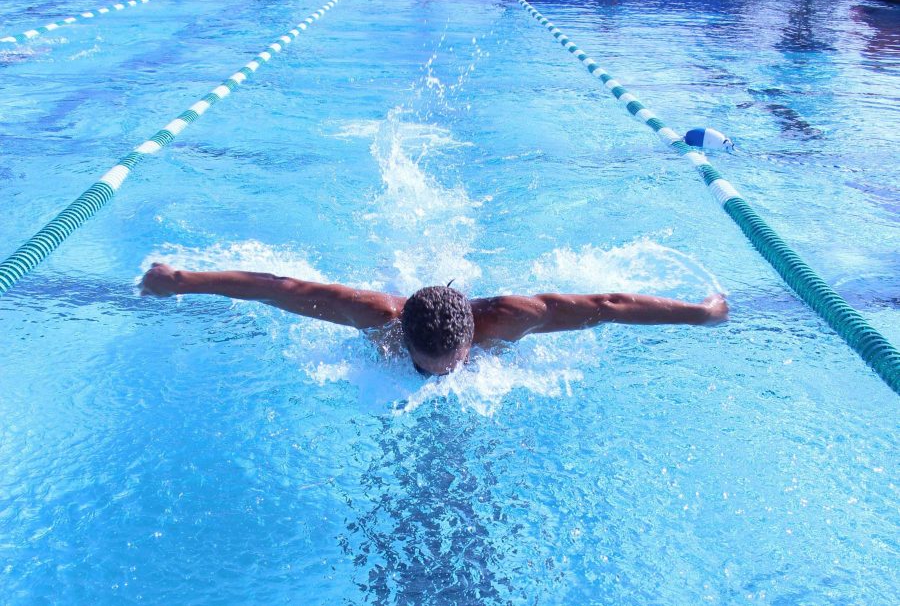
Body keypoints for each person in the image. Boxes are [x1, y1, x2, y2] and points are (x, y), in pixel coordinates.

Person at [140, 263, 729, 376]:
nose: (436, 378)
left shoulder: (508, 320)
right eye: (426, 366)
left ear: (472, 339)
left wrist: (701, 315)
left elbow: (608, 308)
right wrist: (182, 281)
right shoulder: (377, 317)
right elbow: (281, 289)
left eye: (447, 367)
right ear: (404, 336)